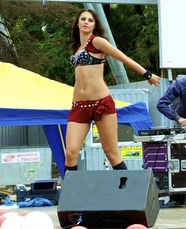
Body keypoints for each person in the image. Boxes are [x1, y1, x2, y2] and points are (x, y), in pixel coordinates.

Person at [63, 9, 161, 174]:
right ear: (77, 23)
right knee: (70, 153)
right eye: (83, 19)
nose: (86, 22)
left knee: (111, 153)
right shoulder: (77, 47)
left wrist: (147, 74)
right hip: (79, 105)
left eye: (90, 20)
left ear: (95, 25)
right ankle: (71, 195)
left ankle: (127, 191)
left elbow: (122, 57)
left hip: (101, 103)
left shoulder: (98, 41)